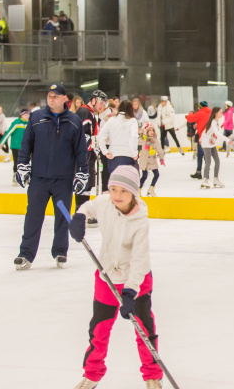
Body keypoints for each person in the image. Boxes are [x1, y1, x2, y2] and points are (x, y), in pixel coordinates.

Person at [68, 165, 163, 389]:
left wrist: (130, 291)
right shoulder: (105, 202)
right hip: (107, 277)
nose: (117, 195)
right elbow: (88, 206)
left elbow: (139, 259)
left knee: (144, 330)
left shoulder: (140, 220)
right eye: (113, 189)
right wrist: (79, 217)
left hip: (137, 281)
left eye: (123, 191)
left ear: (134, 193)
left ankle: (152, 376)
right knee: (98, 330)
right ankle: (92, 374)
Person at [14, 83, 88, 271]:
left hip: (63, 180)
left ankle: (60, 251)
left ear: (64, 99)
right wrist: (22, 165)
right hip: (39, 178)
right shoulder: (36, 117)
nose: (51, 99)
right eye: (49, 96)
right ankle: (25, 254)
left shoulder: (74, 121)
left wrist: (82, 172)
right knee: (33, 217)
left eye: (55, 96)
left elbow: (81, 150)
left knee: (62, 217)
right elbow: (26, 144)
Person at [75, 90, 108, 213]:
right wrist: (92, 144)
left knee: (87, 185)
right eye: (101, 103)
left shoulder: (90, 113)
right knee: (83, 184)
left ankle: (83, 213)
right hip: (84, 156)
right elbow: (80, 134)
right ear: (93, 100)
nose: (102, 106)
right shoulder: (84, 112)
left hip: (88, 155)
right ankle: (80, 213)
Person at [99, 101, 141, 181]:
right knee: (127, 184)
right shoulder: (132, 121)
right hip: (128, 156)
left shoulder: (111, 120)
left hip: (113, 156)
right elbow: (133, 137)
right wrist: (134, 153)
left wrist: (105, 151)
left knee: (115, 184)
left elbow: (101, 135)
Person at [1, 109, 30, 187]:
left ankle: (25, 177)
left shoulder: (29, 123)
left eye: (28, 115)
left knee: (26, 162)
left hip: (25, 147)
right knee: (17, 162)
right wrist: (2, 142)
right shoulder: (16, 123)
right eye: (25, 115)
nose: (26, 116)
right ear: (21, 115)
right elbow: (9, 132)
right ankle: (15, 177)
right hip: (16, 146)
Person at [199, 107, 225, 189]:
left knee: (217, 161)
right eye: (220, 112)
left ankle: (216, 179)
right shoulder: (213, 122)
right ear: (216, 113)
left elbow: (205, 130)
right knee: (208, 162)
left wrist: (201, 138)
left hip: (211, 144)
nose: (222, 113)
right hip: (206, 144)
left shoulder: (216, 122)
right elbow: (215, 132)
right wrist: (226, 139)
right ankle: (205, 180)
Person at [186, 101, 212, 180]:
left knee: (200, 155)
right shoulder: (211, 113)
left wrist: (190, 113)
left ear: (200, 107)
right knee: (207, 156)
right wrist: (197, 125)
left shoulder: (200, 113)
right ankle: (207, 173)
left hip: (202, 138)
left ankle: (199, 172)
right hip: (209, 137)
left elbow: (189, 119)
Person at [138, 125, 165, 197]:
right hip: (144, 160)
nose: (151, 132)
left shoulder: (155, 140)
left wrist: (161, 159)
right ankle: (138, 190)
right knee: (144, 176)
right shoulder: (142, 139)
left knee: (156, 174)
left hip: (152, 160)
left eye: (152, 130)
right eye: (149, 130)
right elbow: (137, 147)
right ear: (146, 131)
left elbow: (160, 150)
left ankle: (151, 189)